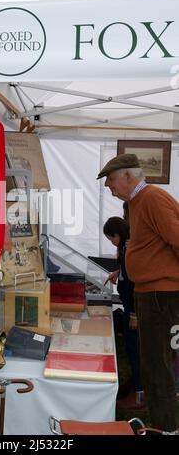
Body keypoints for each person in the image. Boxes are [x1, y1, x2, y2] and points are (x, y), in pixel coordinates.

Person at [97, 153, 179, 433]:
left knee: (159, 366)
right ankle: (162, 424)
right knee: (152, 364)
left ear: (128, 176)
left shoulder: (153, 199)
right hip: (150, 292)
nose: (108, 186)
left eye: (110, 180)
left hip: (162, 294)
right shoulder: (134, 203)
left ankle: (167, 428)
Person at [103, 217, 144, 409]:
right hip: (130, 308)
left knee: (135, 352)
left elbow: (135, 284)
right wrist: (118, 272)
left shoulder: (130, 250)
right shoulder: (126, 248)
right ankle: (136, 385)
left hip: (134, 310)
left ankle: (140, 395)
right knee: (131, 350)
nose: (112, 242)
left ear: (118, 234)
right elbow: (128, 274)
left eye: (111, 238)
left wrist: (134, 315)